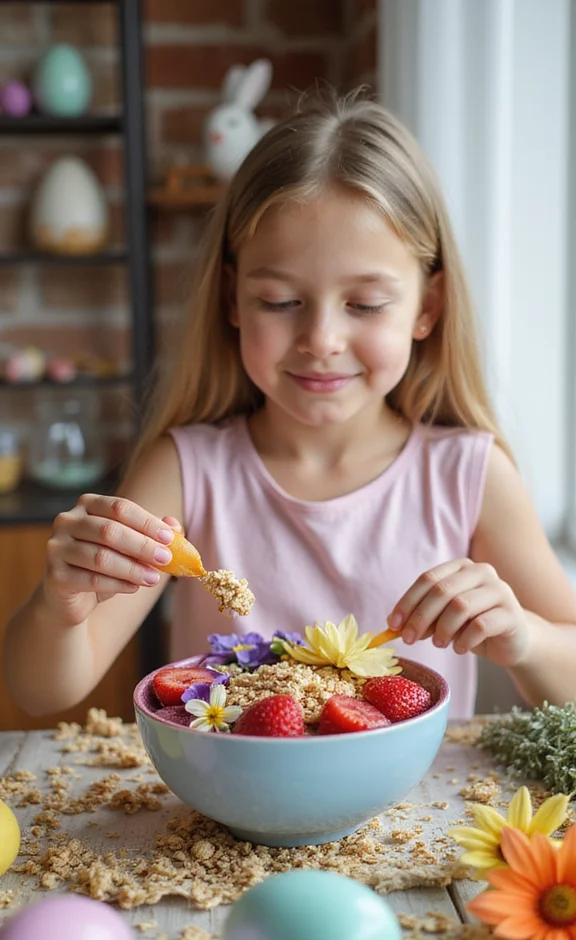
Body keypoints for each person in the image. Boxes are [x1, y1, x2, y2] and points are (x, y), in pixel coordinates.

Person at [5, 90, 576, 720]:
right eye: (279, 302)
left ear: (428, 307)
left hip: (420, 818)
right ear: (232, 300)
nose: (321, 340)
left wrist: (524, 638)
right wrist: (59, 602)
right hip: (229, 814)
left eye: (365, 305)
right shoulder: (187, 471)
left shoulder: (469, 474)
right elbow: (42, 691)